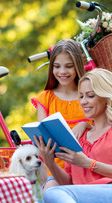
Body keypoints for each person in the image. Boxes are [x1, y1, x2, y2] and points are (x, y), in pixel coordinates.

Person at [34, 68, 112, 203]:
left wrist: (88, 163)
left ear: (107, 97)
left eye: (90, 96)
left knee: (51, 194)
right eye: (81, 96)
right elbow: (69, 184)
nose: (83, 101)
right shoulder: (79, 136)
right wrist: (50, 162)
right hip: (87, 199)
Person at [30, 39, 92, 190]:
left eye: (69, 66)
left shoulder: (88, 94)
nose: (62, 72)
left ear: (77, 66)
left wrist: (85, 125)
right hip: (57, 171)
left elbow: (103, 128)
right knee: (52, 196)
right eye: (57, 66)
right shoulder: (45, 99)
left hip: (87, 168)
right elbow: (41, 137)